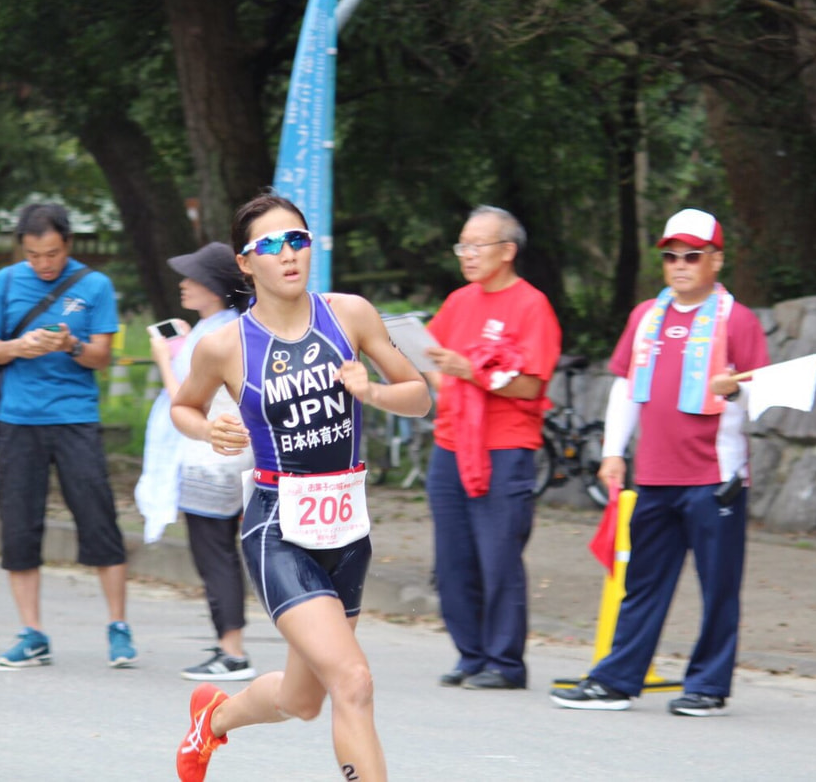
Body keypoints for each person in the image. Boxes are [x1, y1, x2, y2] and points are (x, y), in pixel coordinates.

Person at [171, 192, 432, 782]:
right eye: (269, 245)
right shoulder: (226, 345)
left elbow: (418, 397)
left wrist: (372, 393)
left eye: (298, 240)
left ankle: (212, 721)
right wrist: (210, 429)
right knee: (354, 681)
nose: (287, 254)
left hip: (346, 528)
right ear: (246, 262)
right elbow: (182, 408)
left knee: (304, 700)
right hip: (277, 530)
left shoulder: (350, 315)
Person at [549, 207, 767, 716]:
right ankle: (616, 680)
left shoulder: (738, 319)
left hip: (716, 479)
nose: (681, 264)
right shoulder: (648, 315)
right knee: (642, 583)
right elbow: (626, 385)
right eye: (671, 256)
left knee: (718, 588)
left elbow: (764, 398)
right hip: (655, 475)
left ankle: (708, 687)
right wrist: (611, 452)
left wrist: (736, 389)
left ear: (716, 259)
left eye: (692, 255)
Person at [0, 201, 134, 668]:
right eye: (34, 254)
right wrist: (17, 347)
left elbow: (102, 356)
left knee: (98, 517)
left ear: (69, 244)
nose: (44, 264)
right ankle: (32, 632)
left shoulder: (95, 285)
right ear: (22, 249)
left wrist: (72, 344)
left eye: (53, 253)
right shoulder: (3, 284)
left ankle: (118, 627)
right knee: (19, 524)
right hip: (18, 419)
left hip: (75, 417)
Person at [423, 205, 562, 691]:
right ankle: (470, 654)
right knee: (453, 556)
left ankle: (505, 662)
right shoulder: (460, 302)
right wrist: (442, 379)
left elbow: (530, 386)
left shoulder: (531, 306)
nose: (467, 255)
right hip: (450, 444)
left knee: (498, 555)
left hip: (504, 448)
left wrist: (472, 373)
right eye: (463, 245)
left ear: (507, 251)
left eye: (477, 245)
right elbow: (429, 355)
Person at [134, 241, 258, 681]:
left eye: (194, 278)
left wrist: (164, 357)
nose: (184, 284)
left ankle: (233, 650)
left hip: (209, 456)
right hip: (233, 454)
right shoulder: (232, 327)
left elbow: (182, 397)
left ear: (216, 288)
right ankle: (230, 641)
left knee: (214, 554)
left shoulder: (211, 335)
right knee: (223, 550)